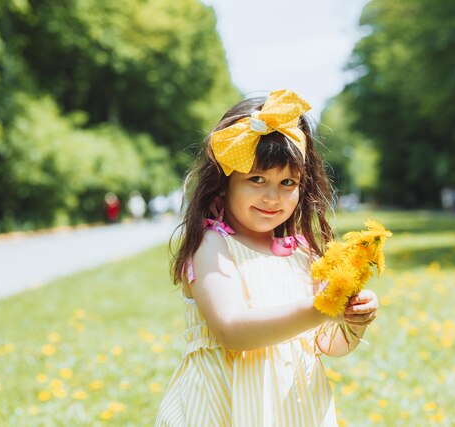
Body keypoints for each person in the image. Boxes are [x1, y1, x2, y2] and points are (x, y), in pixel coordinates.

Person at [156, 90, 379, 426]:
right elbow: (232, 330)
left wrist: (352, 321)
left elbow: (324, 344)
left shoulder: (304, 253)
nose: (272, 196)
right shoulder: (214, 246)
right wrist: (320, 306)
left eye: (287, 182)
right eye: (256, 179)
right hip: (225, 409)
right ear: (223, 184)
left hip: (295, 411)